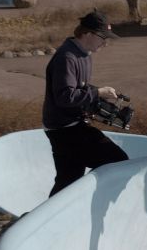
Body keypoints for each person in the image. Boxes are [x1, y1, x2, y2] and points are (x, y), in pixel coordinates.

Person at [42, 10, 129, 196]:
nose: (105, 42)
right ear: (87, 34)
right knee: (118, 161)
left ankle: (41, 222)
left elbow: (80, 89)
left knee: (67, 184)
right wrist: (97, 93)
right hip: (65, 129)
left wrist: (99, 98)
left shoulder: (83, 54)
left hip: (70, 126)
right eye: (102, 37)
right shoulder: (67, 57)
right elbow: (65, 97)